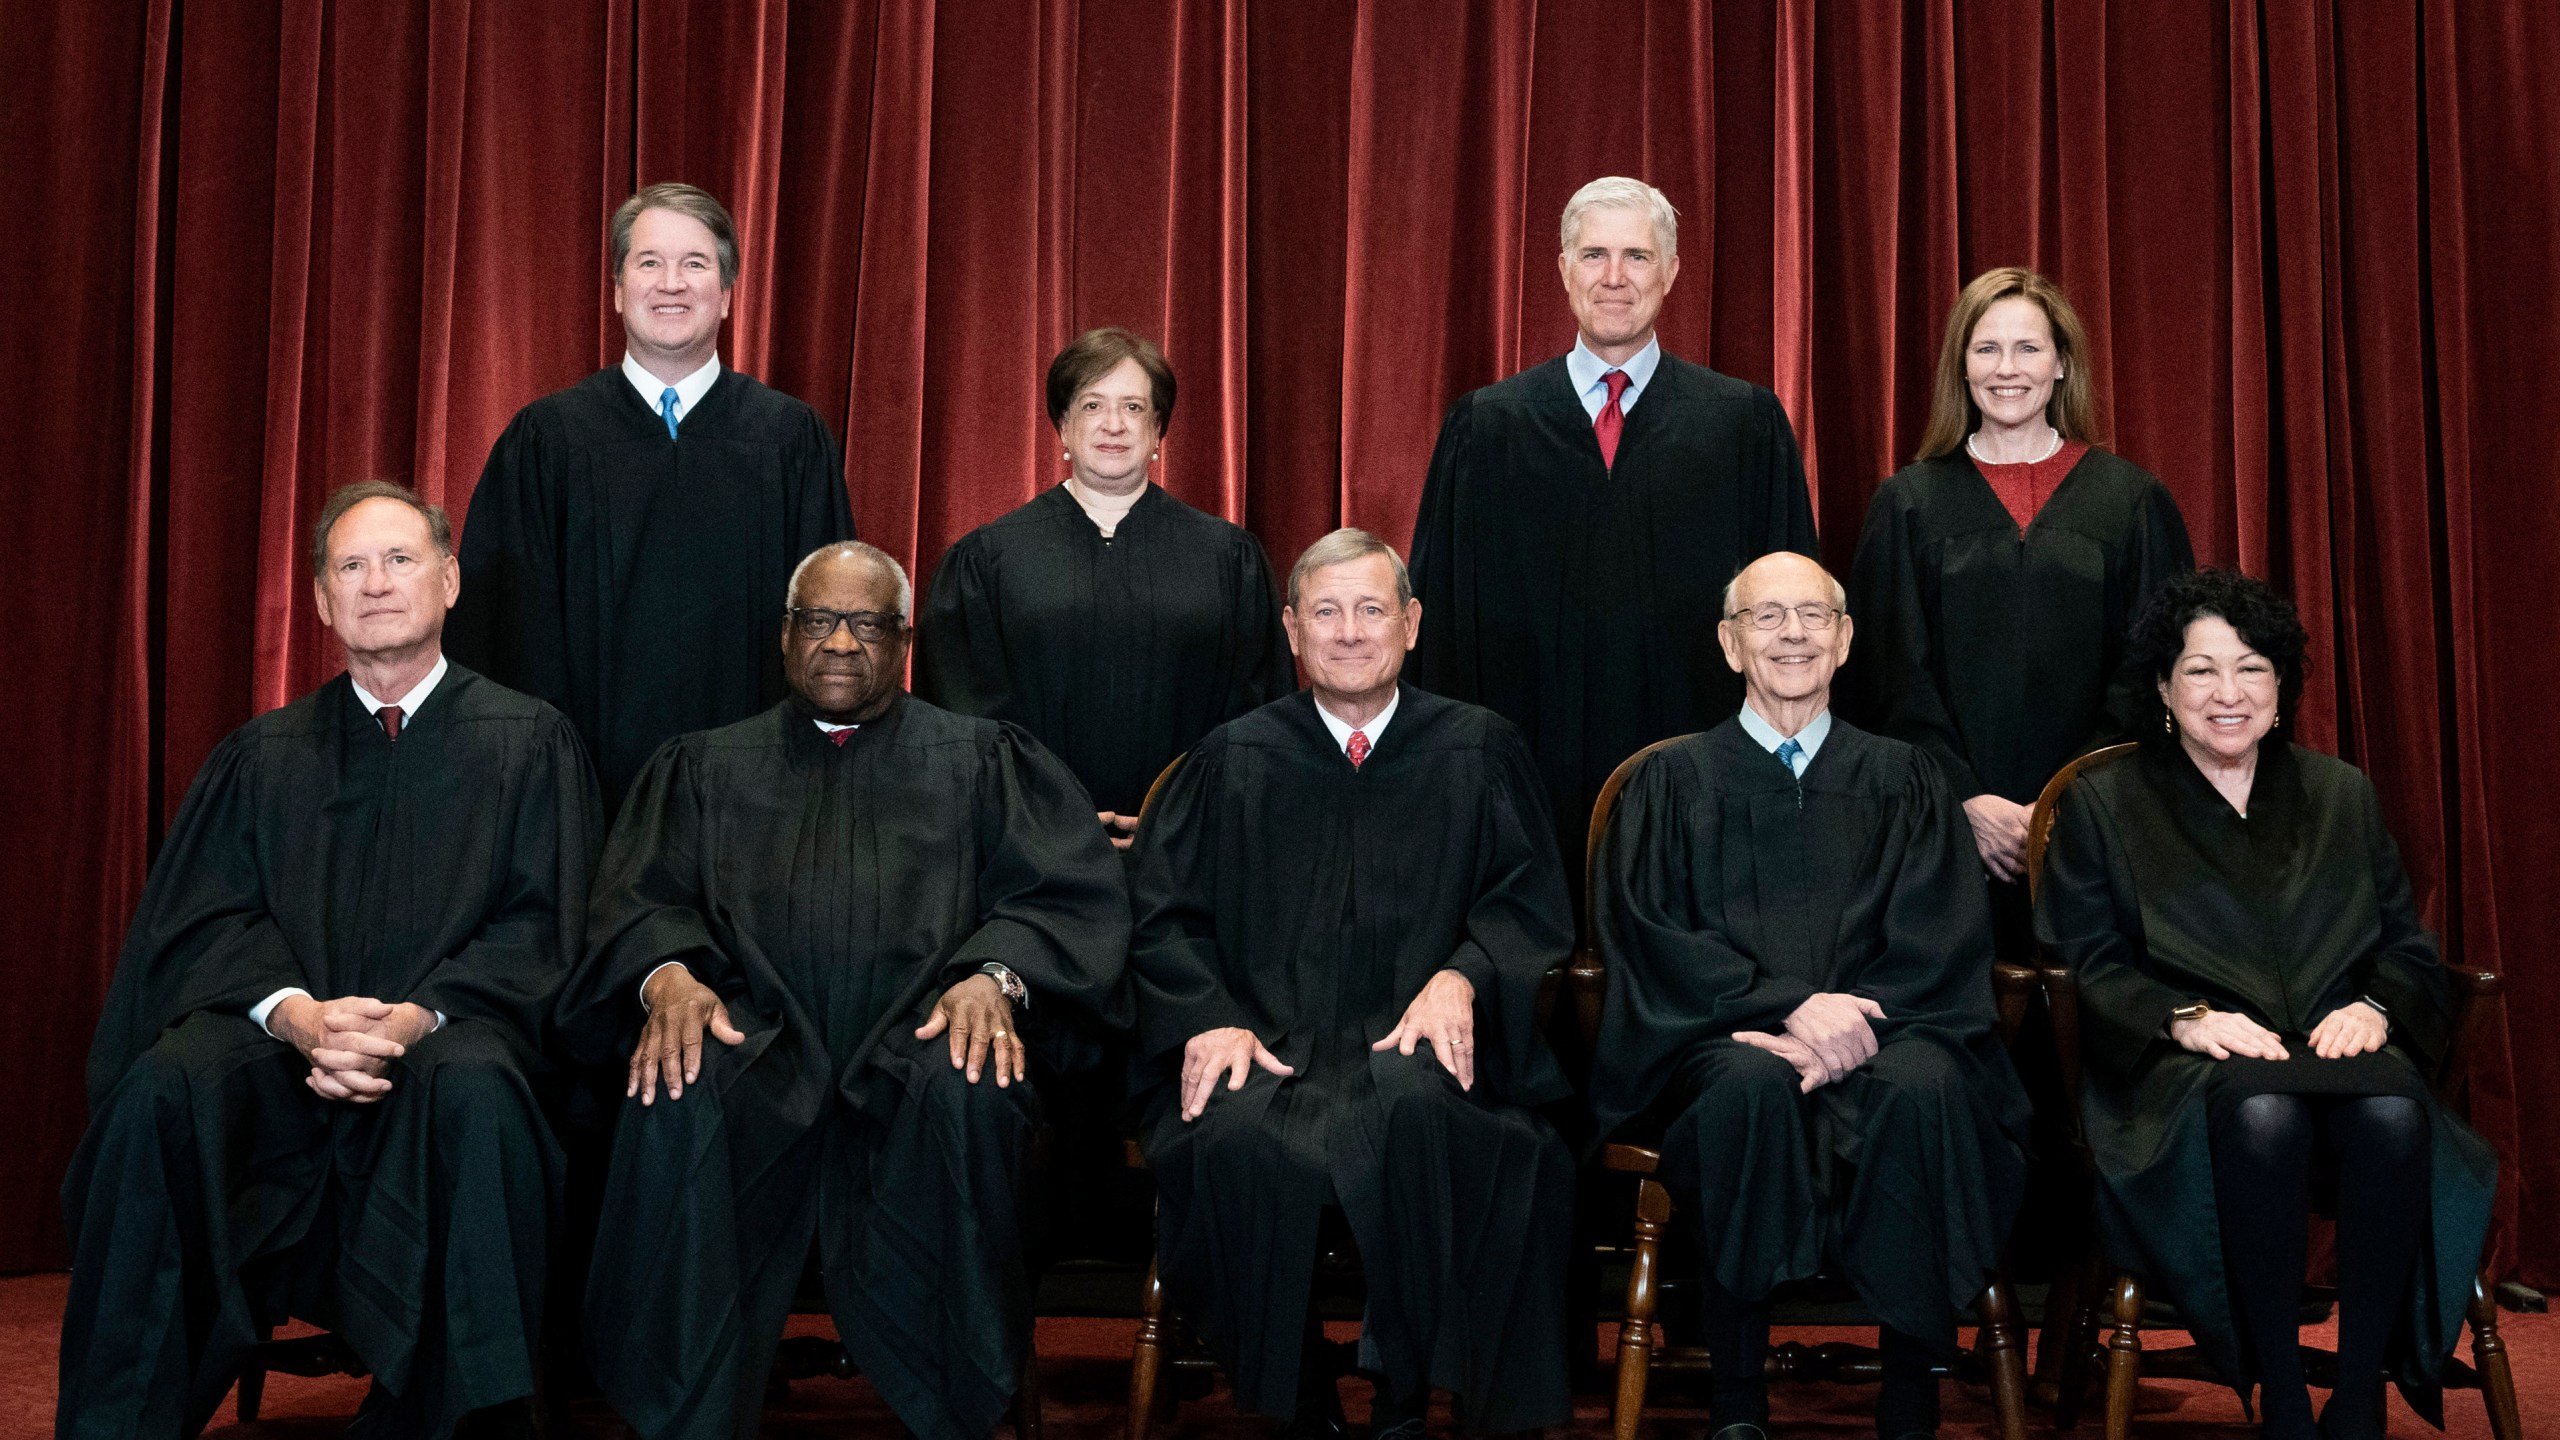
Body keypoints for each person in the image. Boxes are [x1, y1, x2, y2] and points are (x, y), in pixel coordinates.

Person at [59, 482, 599, 1440]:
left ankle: (460, 1420)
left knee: (479, 1089)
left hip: (444, 1049)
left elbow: (542, 925)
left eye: (400, 560)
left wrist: (412, 1019)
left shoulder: (529, 743)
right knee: (163, 1089)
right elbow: (204, 920)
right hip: (281, 1061)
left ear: (451, 580)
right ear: (320, 600)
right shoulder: (261, 755)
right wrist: (300, 1016)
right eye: (351, 566)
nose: (377, 584)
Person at [560, 541, 1130, 1440]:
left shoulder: (985, 762)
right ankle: (685, 1410)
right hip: (757, 1051)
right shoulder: (703, 768)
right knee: (674, 1084)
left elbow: (1063, 896)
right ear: (786, 636)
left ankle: (959, 1406)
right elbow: (638, 901)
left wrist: (995, 975)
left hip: (919, 1049)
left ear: (903, 641)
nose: (840, 643)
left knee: (973, 1085)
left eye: (867, 624)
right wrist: (666, 976)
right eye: (820, 620)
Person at [1129, 529, 1577, 1439]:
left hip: (1420, 1045)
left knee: (1426, 1117)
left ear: (1411, 624)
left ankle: (1403, 1396)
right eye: (1325, 613)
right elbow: (1162, 919)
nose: (1348, 632)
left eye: (1371, 609)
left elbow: (1529, 909)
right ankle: (1298, 1397)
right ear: (1291, 630)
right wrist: (1209, 1019)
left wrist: (1466, 974)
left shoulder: (1479, 748)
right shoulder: (1233, 757)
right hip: (1270, 1045)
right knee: (1236, 1141)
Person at [2034, 569, 2496, 1440]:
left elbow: (2406, 944)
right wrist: (2182, 1017)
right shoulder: (2107, 802)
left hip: (2336, 1040)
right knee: (2268, 1118)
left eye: (2251, 669)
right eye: (2201, 670)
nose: (2228, 693)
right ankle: (2280, 1390)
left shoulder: (2340, 794)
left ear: (2281, 689)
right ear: (2164, 690)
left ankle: (2358, 1393)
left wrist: (2379, 1008)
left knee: (2398, 1120)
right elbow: (2081, 957)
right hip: (2184, 1064)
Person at [1587, 552, 2030, 1440]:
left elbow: (1939, 938)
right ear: (1728, 643)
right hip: (1726, 1036)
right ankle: (1737, 1403)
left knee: (1923, 1088)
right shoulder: (1671, 782)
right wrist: (1790, 1007)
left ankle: (1912, 1386)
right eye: (1766, 617)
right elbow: (1651, 935)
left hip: (1891, 1029)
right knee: (1747, 1093)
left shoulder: (1906, 778)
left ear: (1845, 639)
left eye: (1813, 617)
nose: (1792, 635)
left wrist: (1847, 1027)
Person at [1409, 175, 1817, 897]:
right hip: (1523, 777)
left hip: (1702, 783)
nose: (1615, 277)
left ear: (1671, 271)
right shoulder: (1487, 428)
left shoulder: (1743, 426)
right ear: (1563, 270)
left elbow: (1793, 622)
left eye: (1637, 255)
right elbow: (1439, 628)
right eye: (1594, 254)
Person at [447, 181, 855, 812]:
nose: (672, 283)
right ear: (616, 291)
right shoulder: (548, 440)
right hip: (581, 794)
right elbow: (501, 630)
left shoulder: (790, 439)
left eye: (695, 264)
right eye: (649, 263)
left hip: (761, 796)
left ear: (725, 294)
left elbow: (831, 621)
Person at [1849, 266, 2192, 932]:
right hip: (1941, 834)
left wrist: (2065, 804)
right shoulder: (1909, 504)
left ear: (2062, 364)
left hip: (2097, 827)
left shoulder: (2130, 502)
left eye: (2028, 348)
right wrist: (1965, 800)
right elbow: (1892, 677)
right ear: (1963, 366)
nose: (2008, 369)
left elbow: (2156, 677)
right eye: (1987, 348)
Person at [916, 326, 1293, 849]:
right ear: (1063, 428)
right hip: (1033, 853)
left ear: (1159, 431)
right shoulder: (987, 561)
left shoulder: (1228, 559)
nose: (1114, 425)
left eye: (1134, 408)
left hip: (1193, 850)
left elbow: (1256, 713)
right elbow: (965, 722)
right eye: (1092, 406)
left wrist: (1179, 819)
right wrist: (1051, 819)